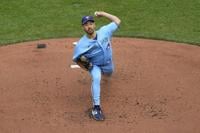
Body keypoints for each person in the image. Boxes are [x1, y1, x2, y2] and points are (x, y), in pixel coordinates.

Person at [72, 11, 121, 121]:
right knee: (96, 78)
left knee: (108, 75)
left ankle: (106, 77)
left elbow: (117, 21)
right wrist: (87, 68)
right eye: (86, 24)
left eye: (90, 23)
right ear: (83, 27)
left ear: (94, 25)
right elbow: (76, 59)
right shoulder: (81, 45)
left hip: (108, 64)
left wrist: (103, 14)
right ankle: (96, 108)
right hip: (95, 66)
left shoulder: (105, 31)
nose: (88, 26)